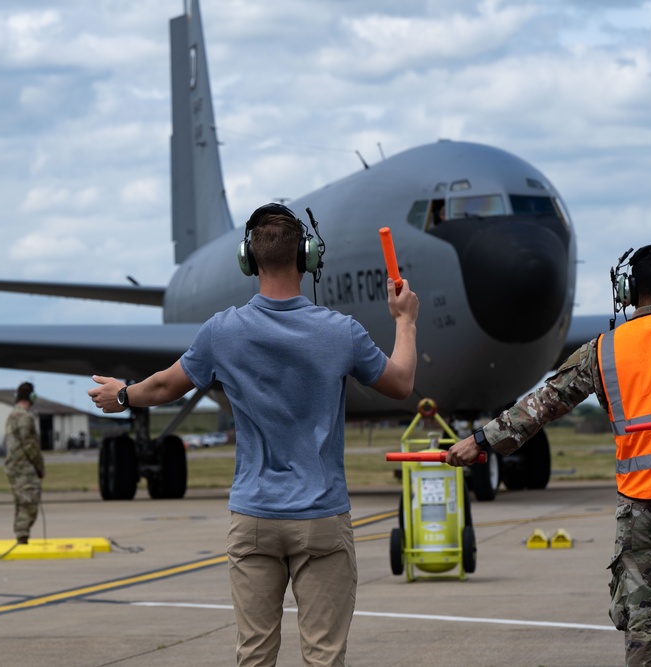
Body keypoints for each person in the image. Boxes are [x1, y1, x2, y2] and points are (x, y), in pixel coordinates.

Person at [88, 202, 419, 667]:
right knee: (324, 656)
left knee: (255, 655)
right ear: (307, 257)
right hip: (320, 516)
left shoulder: (222, 331)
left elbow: (163, 386)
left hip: (254, 516)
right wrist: (405, 321)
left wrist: (123, 396)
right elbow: (401, 381)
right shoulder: (341, 332)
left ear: (248, 260)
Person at [447, 221, 651, 667]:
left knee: (643, 640)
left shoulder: (602, 351)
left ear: (626, 292)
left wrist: (480, 440)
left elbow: (540, 404)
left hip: (638, 511)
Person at [5, 381, 45, 544]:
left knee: (21, 503)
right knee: (29, 503)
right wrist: (40, 467)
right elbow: (30, 445)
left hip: (13, 466)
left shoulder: (12, 414)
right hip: (24, 467)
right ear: (32, 397)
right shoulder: (25, 417)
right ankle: (22, 536)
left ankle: (21, 535)